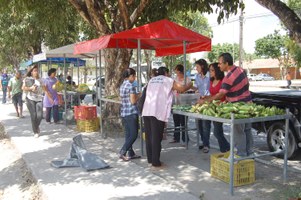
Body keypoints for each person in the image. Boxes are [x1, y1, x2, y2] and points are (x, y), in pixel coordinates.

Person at [199, 53, 253, 157]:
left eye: (220, 63)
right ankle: (250, 154)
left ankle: (242, 156)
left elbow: (220, 94)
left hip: (238, 107)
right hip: (249, 104)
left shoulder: (228, 77)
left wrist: (206, 101)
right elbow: (247, 85)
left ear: (226, 63)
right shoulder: (240, 70)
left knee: (239, 132)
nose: (218, 65)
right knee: (247, 130)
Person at [142, 67, 191, 168]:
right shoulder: (168, 80)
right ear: (166, 73)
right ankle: (155, 162)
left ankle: (150, 159)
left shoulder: (152, 80)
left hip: (147, 110)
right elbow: (181, 89)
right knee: (156, 137)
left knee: (149, 136)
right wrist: (190, 84)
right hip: (157, 112)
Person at [119, 68, 141, 161]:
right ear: (131, 76)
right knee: (134, 134)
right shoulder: (130, 86)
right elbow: (133, 101)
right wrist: (139, 95)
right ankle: (122, 151)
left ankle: (131, 153)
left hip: (124, 112)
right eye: (134, 76)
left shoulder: (122, 85)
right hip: (131, 113)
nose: (135, 78)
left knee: (128, 134)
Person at [208, 63, 230, 152]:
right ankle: (224, 150)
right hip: (213, 108)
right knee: (217, 132)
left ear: (217, 71)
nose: (210, 72)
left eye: (212, 70)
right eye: (209, 70)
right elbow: (211, 94)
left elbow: (225, 95)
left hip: (221, 108)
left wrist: (223, 103)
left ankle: (227, 148)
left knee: (217, 132)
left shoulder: (223, 81)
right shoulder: (211, 81)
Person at [192, 59, 211, 153]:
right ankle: (204, 142)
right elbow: (195, 87)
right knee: (199, 124)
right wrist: (188, 86)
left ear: (202, 66)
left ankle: (206, 145)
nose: (196, 68)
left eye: (197, 67)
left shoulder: (210, 76)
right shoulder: (197, 76)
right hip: (199, 102)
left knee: (206, 124)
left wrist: (206, 97)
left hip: (208, 102)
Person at [170, 64, 192, 144]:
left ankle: (185, 138)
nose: (176, 74)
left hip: (184, 102)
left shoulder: (187, 79)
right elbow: (173, 88)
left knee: (183, 122)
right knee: (176, 121)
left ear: (180, 71)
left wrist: (182, 89)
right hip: (176, 101)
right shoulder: (175, 79)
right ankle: (176, 137)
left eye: (177, 72)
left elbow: (188, 89)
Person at [22, 65, 44, 138]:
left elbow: (45, 88)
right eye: (35, 71)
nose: (36, 72)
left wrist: (49, 97)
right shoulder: (27, 79)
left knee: (40, 116)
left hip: (39, 99)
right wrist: (30, 88)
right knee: (33, 115)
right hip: (30, 99)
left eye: (37, 71)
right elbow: (23, 88)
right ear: (31, 72)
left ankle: (36, 126)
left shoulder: (41, 80)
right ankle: (35, 131)